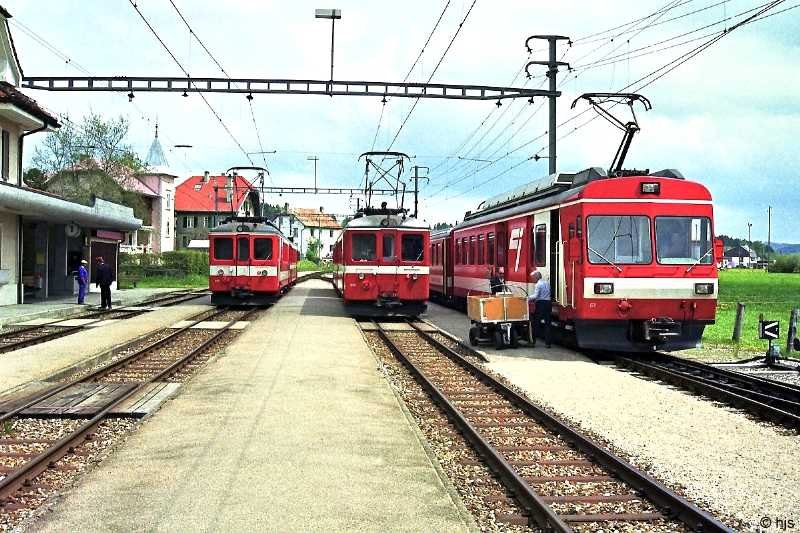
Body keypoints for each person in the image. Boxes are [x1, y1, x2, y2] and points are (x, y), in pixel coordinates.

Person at [529, 270, 552, 348]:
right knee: (547, 324)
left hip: (541, 304)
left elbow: (535, 296)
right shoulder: (547, 283)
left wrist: (527, 298)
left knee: (536, 323)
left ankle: (533, 342)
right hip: (548, 304)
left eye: (533, 278)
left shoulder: (538, 285)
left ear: (536, 277)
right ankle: (548, 343)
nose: (532, 280)